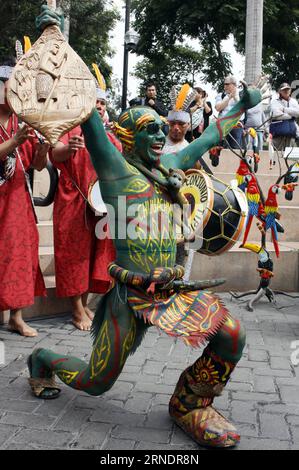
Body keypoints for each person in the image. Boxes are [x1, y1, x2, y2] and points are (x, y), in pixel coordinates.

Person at [50, 81, 121, 331]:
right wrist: (68, 148)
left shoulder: (110, 137)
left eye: (102, 103)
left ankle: (84, 303)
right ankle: (76, 309)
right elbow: (54, 153)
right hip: (73, 199)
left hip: (100, 204)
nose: (99, 106)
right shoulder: (70, 128)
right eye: (95, 102)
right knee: (73, 254)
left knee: (96, 255)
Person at [0, 60, 48, 337]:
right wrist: (16, 141)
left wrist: (43, 148)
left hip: (18, 198)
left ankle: (16, 317)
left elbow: (38, 166)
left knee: (21, 254)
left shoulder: (23, 121)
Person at [215, 75, 244, 149]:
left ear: (234, 85)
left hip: (236, 124)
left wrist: (235, 97)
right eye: (224, 84)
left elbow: (242, 108)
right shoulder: (221, 95)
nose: (225, 86)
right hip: (223, 123)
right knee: (221, 147)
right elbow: (218, 108)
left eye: (227, 84)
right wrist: (229, 97)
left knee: (235, 147)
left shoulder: (241, 94)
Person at [270, 82, 299, 151]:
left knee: (289, 157)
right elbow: (275, 114)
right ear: (280, 91)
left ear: (290, 90)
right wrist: (291, 115)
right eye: (284, 90)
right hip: (278, 133)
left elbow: (297, 113)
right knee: (277, 155)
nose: (286, 91)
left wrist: (283, 109)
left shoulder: (294, 101)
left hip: (291, 133)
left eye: (288, 89)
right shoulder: (274, 101)